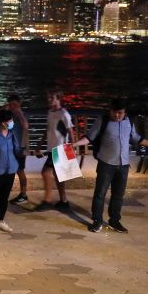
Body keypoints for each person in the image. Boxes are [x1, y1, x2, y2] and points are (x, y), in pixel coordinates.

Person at [73, 98, 148, 233]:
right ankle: (97, 221)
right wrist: (74, 144)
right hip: (106, 164)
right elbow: (89, 137)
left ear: (125, 112)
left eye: (120, 113)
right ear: (110, 110)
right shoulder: (103, 121)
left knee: (118, 195)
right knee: (100, 194)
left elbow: (136, 138)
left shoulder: (129, 122)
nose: (117, 115)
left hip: (123, 165)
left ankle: (114, 221)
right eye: (115, 112)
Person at [36, 90, 76, 210]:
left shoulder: (64, 113)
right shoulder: (50, 112)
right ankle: (63, 201)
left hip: (61, 148)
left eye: (52, 98)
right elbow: (48, 130)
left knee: (46, 172)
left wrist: (73, 148)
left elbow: (70, 131)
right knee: (58, 176)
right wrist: (40, 144)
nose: (49, 100)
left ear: (59, 99)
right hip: (52, 148)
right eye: (48, 98)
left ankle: (47, 200)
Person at [0, 95, 30, 203]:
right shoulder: (6, 115)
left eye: (15, 104)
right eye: (11, 104)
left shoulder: (23, 115)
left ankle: (23, 194)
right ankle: (0, 195)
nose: (13, 107)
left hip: (19, 147)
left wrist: (19, 112)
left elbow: (26, 126)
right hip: (6, 147)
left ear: (20, 104)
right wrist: (2, 108)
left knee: (20, 170)